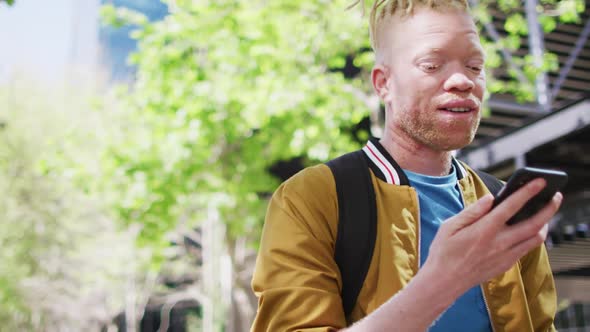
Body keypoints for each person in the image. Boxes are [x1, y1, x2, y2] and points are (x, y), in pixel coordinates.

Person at [250, 0, 563, 331]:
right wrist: (445, 280)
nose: (463, 81)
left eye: (474, 66)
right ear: (384, 83)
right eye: (431, 65)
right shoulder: (311, 198)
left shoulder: (501, 203)